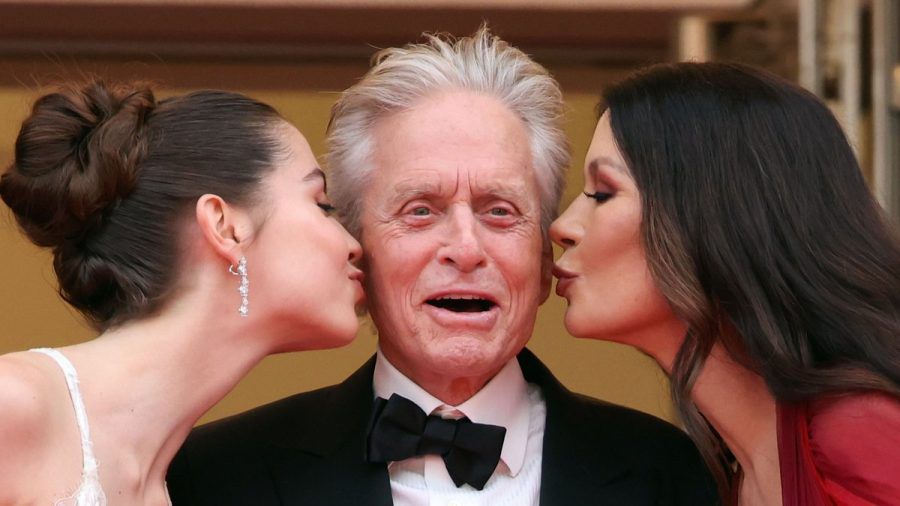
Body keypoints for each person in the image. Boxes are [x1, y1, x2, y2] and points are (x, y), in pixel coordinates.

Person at [166, 27, 716, 505]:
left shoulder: (673, 473)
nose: (465, 248)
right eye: (420, 211)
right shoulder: (217, 474)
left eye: (500, 212)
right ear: (354, 251)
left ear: (545, 258)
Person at [550, 61, 900, 506]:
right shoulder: (727, 477)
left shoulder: (862, 431)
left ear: (714, 216)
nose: (562, 227)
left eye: (603, 193)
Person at [0, 81, 364, 504]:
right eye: (320, 204)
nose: (353, 244)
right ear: (225, 225)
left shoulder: (169, 490)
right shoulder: (15, 403)